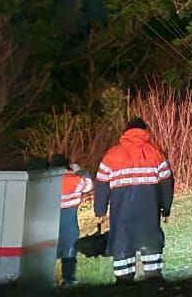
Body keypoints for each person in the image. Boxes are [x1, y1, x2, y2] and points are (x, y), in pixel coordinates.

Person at [95, 117, 174, 283]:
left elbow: (101, 183)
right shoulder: (155, 153)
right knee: (150, 238)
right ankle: (153, 277)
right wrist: (166, 208)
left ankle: (124, 278)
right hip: (149, 209)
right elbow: (167, 182)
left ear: (126, 132)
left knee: (122, 240)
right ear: (145, 131)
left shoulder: (112, 155)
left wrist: (100, 210)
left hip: (121, 211)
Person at [53, 154, 93, 286]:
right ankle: (68, 279)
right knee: (69, 249)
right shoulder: (75, 180)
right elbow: (88, 186)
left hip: (50, 221)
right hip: (70, 221)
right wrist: (80, 171)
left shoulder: (50, 181)